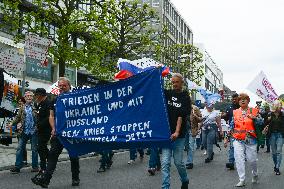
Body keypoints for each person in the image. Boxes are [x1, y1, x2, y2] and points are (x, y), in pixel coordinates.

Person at [32, 77, 80, 188]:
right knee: (53, 156)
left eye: (64, 85)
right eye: (60, 85)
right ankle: (46, 180)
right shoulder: (55, 100)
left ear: (69, 86)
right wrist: (53, 128)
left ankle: (75, 178)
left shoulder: (76, 98)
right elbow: (51, 116)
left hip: (71, 134)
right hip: (58, 133)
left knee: (73, 156)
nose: (62, 87)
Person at [162, 73, 191, 189]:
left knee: (178, 162)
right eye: (172, 82)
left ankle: (185, 180)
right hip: (166, 135)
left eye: (176, 82)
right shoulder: (168, 93)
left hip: (179, 135)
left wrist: (177, 132)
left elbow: (181, 115)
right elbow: (155, 87)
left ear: (182, 83)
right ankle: (165, 187)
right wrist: (158, 72)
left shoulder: (185, 96)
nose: (174, 84)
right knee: (165, 163)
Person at [230, 93, 259, 187]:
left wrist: (255, 118)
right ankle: (242, 179)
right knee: (239, 159)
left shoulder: (253, 110)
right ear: (238, 102)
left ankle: (255, 174)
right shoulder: (235, 112)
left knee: (252, 160)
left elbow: (262, 122)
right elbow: (232, 125)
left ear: (248, 101)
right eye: (240, 99)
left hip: (250, 139)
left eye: (244, 99)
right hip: (237, 138)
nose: (242, 100)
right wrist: (227, 138)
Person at [9, 91, 39, 174]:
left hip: (33, 131)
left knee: (34, 149)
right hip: (24, 131)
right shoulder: (22, 107)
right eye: (27, 96)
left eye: (30, 96)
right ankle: (17, 166)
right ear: (25, 98)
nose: (29, 97)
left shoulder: (36, 106)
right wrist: (12, 123)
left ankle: (35, 167)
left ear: (32, 97)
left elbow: (40, 118)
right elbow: (18, 117)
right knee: (19, 149)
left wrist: (38, 126)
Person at [31, 88, 51, 180]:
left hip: (46, 129)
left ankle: (43, 167)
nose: (35, 97)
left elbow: (48, 117)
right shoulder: (39, 103)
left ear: (41, 95)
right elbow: (40, 115)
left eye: (37, 95)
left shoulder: (48, 103)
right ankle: (50, 159)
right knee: (41, 148)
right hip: (40, 129)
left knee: (41, 147)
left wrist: (38, 125)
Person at [264, 100, 284, 175]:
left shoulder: (283, 115)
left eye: (279, 105)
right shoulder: (269, 114)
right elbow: (264, 123)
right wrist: (267, 120)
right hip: (272, 135)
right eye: (277, 105)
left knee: (279, 151)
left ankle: (277, 167)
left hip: (280, 135)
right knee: (274, 152)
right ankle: (275, 164)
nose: (278, 106)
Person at [222, 93, 239, 170]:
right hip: (232, 129)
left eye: (235, 99)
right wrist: (224, 115)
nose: (234, 100)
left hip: (241, 130)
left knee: (240, 147)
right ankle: (231, 162)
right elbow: (226, 117)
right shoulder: (229, 107)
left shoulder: (242, 107)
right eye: (233, 99)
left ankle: (241, 158)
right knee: (232, 146)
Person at [185, 104, 202, 169]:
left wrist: (195, 116)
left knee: (190, 145)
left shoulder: (195, 108)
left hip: (192, 130)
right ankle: (189, 160)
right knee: (186, 146)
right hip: (184, 130)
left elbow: (200, 119)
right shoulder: (182, 107)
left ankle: (189, 162)